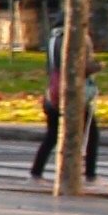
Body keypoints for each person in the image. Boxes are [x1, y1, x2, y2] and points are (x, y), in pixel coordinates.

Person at [31, 17, 99, 182]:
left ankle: (36, 172)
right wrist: (96, 67)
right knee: (91, 134)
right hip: (72, 93)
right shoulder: (73, 40)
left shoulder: (53, 40)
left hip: (53, 91)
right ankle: (89, 175)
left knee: (53, 134)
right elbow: (77, 67)